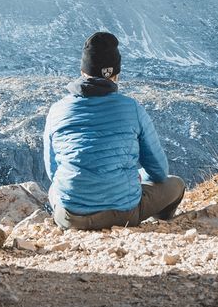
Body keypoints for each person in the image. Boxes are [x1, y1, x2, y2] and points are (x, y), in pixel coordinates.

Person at [43, 30, 186, 231]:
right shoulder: (132, 108)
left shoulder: (57, 110)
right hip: (123, 215)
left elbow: (53, 171)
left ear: (83, 71)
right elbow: (160, 172)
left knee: (54, 187)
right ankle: (159, 224)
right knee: (175, 184)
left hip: (70, 217)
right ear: (116, 74)